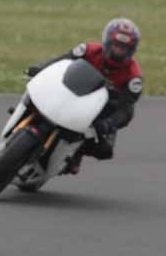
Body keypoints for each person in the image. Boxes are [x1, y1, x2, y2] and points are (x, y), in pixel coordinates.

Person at [26, 17, 142, 174]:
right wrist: (40, 69)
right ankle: (24, 116)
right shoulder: (88, 50)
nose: (119, 51)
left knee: (104, 149)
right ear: (107, 42)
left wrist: (109, 123)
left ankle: (74, 153)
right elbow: (61, 61)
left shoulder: (133, 77)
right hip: (70, 91)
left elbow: (126, 110)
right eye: (116, 46)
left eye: (124, 48)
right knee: (35, 91)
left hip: (99, 111)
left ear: (131, 50)